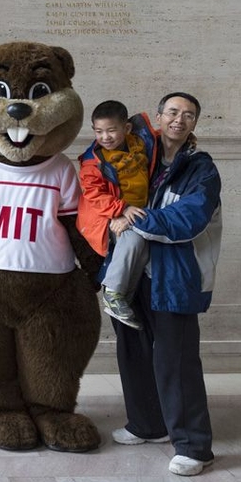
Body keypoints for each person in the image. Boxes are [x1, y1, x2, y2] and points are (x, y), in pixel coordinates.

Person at [110, 92, 222, 477]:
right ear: (157, 118)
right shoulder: (138, 159)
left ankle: (194, 446)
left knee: (176, 362)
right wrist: (114, 213)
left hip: (175, 278)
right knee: (134, 353)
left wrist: (134, 220)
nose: (179, 119)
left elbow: (188, 218)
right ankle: (147, 425)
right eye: (172, 112)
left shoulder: (201, 170)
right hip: (133, 277)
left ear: (194, 124)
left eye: (188, 115)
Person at [77, 100, 157, 330]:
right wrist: (121, 210)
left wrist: (186, 141)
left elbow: (161, 138)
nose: (105, 137)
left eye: (111, 130)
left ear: (127, 128)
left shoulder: (140, 143)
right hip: (105, 218)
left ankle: (123, 300)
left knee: (143, 248)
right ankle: (112, 293)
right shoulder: (93, 162)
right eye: (99, 131)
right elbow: (94, 195)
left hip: (137, 211)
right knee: (134, 239)